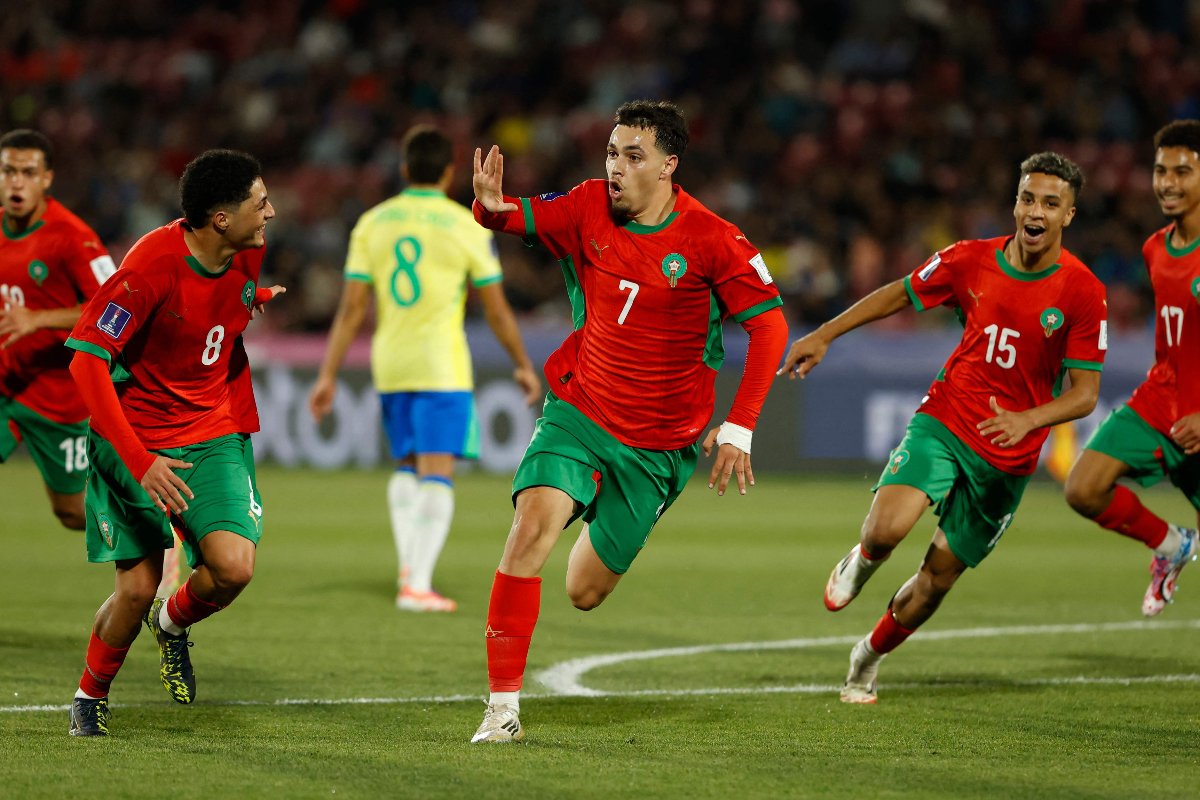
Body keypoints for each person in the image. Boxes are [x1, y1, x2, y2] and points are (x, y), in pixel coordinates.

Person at [468, 99, 789, 742]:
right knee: (529, 529)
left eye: (633, 156)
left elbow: (771, 327)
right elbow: (509, 215)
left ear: (669, 166)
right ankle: (502, 711)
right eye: (612, 153)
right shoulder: (587, 205)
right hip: (580, 410)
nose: (615, 167)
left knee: (584, 591)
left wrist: (740, 425)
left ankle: (597, 509)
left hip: (658, 448)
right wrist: (487, 206)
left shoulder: (712, 239)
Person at [781, 152, 1107, 705]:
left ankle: (868, 657)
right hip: (950, 418)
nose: (1036, 211)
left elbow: (1086, 393)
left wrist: (1028, 419)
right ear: (1015, 203)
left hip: (1008, 456)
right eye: (1028, 198)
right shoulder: (970, 259)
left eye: (1051, 204)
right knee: (885, 531)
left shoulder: (1082, 290)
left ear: (1068, 215)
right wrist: (826, 333)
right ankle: (864, 558)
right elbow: (900, 292)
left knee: (936, 580)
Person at [63, 149, 283, 736]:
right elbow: (86, 362)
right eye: (261, 203)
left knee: (233, 568)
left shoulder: (249, 251)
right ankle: (89, 696)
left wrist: (254, 300)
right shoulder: (149, 269)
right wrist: (140, 463)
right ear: (221, 219)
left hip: (212, 430)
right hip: (136, 442)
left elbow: (212, 312)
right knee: (136, 589)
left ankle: (172, 623)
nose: (270, 212)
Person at [308, 125, 541, 613]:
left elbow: (351, 309)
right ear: (450, 173)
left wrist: (328, 374)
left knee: (406, 465)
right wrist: (522, 364)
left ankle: (409, 568)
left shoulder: (372, 222)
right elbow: (496, 309)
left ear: (405, 169)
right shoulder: (464, 224)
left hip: (391, 363)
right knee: (437, 471)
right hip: (440, 364)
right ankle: (416, 584)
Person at [1065, 120, 1200, 616]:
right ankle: (1172, 545)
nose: (1168, 182)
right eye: (1161, 171)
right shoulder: (1155, 248)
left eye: (1182, 172)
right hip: (1160, 401)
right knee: (1083, 488)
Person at [0, 129, 116, 530]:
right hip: (6, 383)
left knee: (71, 511)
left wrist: (38, 319)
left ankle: (156, 531)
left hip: (57, 399)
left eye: (28, 173)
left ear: (47, 178)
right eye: (9, 171)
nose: (17, 182)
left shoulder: (73, 237)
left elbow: (114, 307)